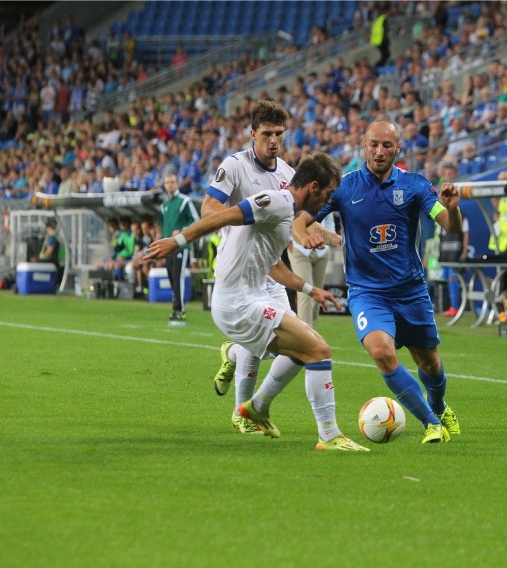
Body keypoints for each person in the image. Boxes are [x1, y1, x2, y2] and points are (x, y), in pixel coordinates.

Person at [144, 155, 368, 452]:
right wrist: (178, 242)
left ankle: (256, 403)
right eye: (326, 195)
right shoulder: (276, 201)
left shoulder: (286, 211)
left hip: (249, 298)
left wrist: (311, 290)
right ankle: (327, 434)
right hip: (238, 303)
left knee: (304, 348)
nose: (325, 204)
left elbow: (272, 265)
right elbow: (221, 216)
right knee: (319, 350)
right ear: (313, 187)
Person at [293, 119, 461, 444]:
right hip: (367, 292)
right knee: (381, 352)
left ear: (398, 148)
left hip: (410, 291)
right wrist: (305, 237)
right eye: (373, 144)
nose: (379, 151)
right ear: (363, 146)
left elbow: (448, 224)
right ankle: (431, 423)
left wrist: (453, 210)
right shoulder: (344, 186)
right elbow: (301, 220)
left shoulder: (414, 184)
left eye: (387, 145)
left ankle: (438, 406)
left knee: (430, 363)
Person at [201, 100, 306, 435]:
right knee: (260, 341)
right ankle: (242, 413)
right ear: (252, 134)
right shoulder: (234, 166)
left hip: (271, 271)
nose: (273, 140)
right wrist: (239, 222)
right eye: (266, 134)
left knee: (279, 344)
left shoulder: (289, 175)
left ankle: (232, 355)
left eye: (279, 133)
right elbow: (208, 208)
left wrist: (323, 234)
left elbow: (297, 221)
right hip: (240, 270)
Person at [160, 170, 200, 322]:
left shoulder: (185, 201)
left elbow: (196, 220)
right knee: (172, 277)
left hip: (180, 246)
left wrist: (181, 231)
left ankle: (181, 309)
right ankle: (175, 307)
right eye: (167, 182)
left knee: (178, 278)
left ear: (177, 184)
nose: (169, 185)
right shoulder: (164, 204)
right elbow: (163, 226)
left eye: (172, 182)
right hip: (167, 247)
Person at [288, 212, 336, 328]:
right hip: (300, 249)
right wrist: (289, 240)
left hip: (322, 251)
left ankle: (312, 332)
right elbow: (287, 220)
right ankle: (305, 335)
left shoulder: (326, 197)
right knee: (305, 292)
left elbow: (329, 221)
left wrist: (329, 242)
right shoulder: (299, 197)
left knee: (318, 294)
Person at [37, 216, 65, 287]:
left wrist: (39, 259)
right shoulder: (57, 235)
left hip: (55, 262)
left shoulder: (52, 236)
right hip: (61, 263)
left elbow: (49, 252)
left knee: (34, 263)